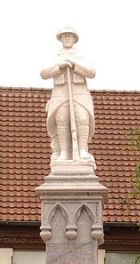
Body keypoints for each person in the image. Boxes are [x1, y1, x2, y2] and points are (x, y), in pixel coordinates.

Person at [40, 26, 95, 162]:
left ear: (74, 38)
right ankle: (64, 152)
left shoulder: (80, 55)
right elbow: (44, 73)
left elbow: (91, 72)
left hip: (79, 93)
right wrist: (60, 66)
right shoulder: (57, 56)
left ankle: (82, 150)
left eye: (69, 36)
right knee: (61, 119)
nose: (66, 38)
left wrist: (74, 64)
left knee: (82, 118)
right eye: (64, 36)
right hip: (60, 93)